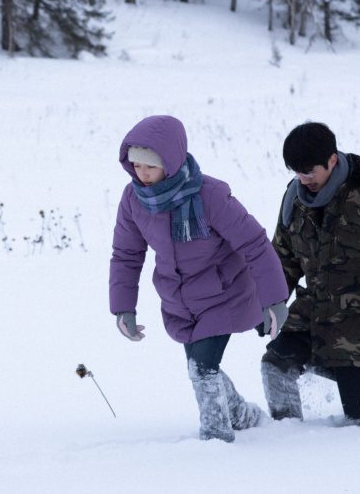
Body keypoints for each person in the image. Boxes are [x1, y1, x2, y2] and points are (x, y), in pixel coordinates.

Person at [109, 115, 290, 442]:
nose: (142, 174)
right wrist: (124, 308)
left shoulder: (210, 195)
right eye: (136, 165)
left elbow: (255, 244)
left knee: (202, 370)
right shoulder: (134, 200)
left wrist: (274, 300)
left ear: (172, 161)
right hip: (179, 299)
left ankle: (216, 438)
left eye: (150, 166)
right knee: (201, 368)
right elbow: (126, 255)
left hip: (226, 293)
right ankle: (242, 414)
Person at [261, 122, 360, 425]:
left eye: (310, 171)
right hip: (314, 316)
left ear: (332, 159)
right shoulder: (294, 200)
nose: (303, 179)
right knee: (276, 366)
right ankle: (286, 438)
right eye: (296, 171)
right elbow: (282, 258)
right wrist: (268, 304)